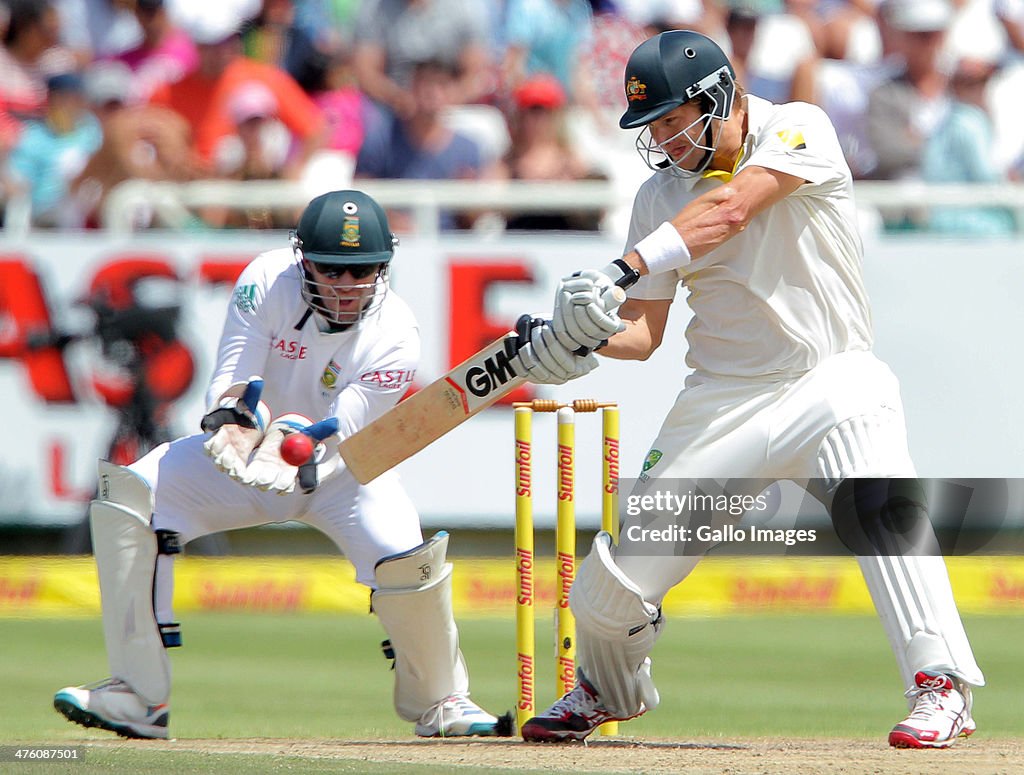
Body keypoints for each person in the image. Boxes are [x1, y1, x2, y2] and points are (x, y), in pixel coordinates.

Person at [511, 30, 985, 749]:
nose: (665, 142)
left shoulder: (798, 125)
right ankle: (608, 686)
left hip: (831, 376)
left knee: (882, 506)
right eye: (654, 129)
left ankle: (940, 685)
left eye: (674, 121)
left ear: (720, 95)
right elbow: (642, 337)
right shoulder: (657, 195)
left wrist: (621, 266)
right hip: (723, 396)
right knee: (607, 588)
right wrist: (578, 336)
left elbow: (731, 209)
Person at [52, 189, 510, 741]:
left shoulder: (397, 334)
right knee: (128, 499)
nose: (346, 286)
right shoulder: (266, 280)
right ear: (303, 260)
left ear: (383, 266)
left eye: (361, 270)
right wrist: (237, 422)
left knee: (408, 561)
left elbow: (349, 430)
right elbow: (235, 374)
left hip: (343, 476)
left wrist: (294, 438)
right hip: (238, 463)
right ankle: (137, 695)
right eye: (331, 270)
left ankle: (443, 700)